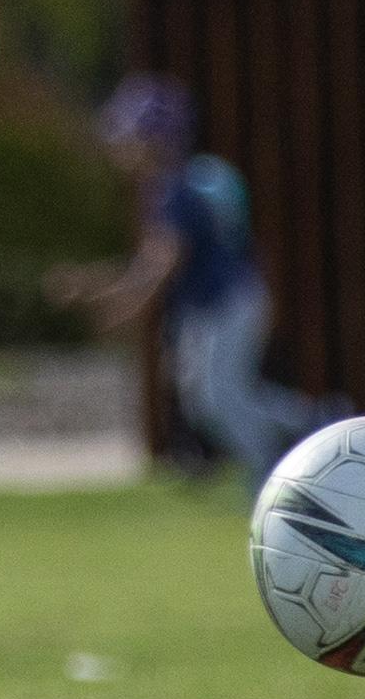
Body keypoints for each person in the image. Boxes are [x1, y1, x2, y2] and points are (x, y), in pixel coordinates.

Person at [50, 74, 339, 490]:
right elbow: (151, 262)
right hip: (220, 303)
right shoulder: (169, 188)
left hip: (225, 302)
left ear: (154, 139)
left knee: (220, 397)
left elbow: (162, 264)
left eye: (127, 136)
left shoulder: (173, 191)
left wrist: (121, 305)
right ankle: (314, 420)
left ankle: (269, 471)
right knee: (213, 398)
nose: (118, 147)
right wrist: (97, 287)